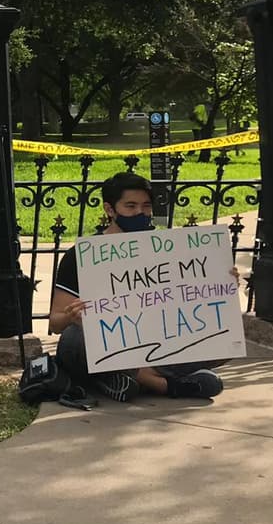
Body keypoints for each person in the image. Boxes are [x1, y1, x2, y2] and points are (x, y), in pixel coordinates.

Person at [49, 172, 227, 402]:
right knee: (73, 339)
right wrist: (71, 316)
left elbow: (194, 296)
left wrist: (223, 281)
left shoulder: (167, 249)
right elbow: (55, 323)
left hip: (155, 342)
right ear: (110, 209)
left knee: (224, 337)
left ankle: (123, 376)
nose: (140, 213)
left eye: (146, 206)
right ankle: (162, 384)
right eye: (130, 206)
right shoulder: (82, 256)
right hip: (103, 343)